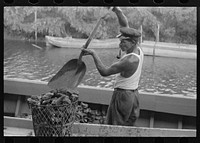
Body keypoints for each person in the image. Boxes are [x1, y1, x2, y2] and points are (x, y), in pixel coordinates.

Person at [81, 7, 144, 126]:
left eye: (123, 42)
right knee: (127, 126)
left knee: (114, 127)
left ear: (132, 42)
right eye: (120, 41)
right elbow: (124, 24)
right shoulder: (138, 49)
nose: (120, 45)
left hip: (123, 96)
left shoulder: (129, 60)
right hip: (134, 95)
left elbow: (104, 72)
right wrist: (117, 11)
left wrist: (93, 54)